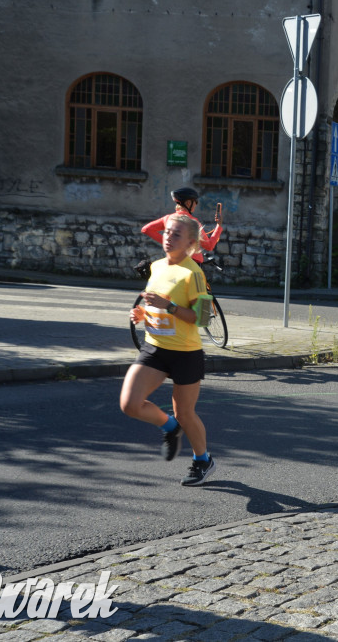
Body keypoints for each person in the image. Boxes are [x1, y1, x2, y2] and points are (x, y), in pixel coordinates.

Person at [120, 214, 216, 486]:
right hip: (155, 348)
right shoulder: (157, 266)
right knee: (129, 404)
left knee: (185, 413)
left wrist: (169, 306)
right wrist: (142, 313)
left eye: (175, 235)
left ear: (190, 243)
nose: (167, 238)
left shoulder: (194, 273)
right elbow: (156, 304)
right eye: (166, 232)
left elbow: (204, 318)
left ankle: (203, 460)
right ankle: (169, 427)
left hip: (186, 353)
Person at [141, 187, 223, 264]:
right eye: (195, 202)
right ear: (188, 203)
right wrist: (219, 225)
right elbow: (209, 246)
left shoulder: (168, 218)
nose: (196, 204)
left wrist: (169, 243)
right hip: (193, 264)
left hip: (174, 260)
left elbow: (146, 229)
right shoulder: (193, 222)